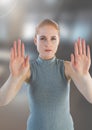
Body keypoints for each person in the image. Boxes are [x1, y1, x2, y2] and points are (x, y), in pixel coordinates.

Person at [0, 19, 92, 130]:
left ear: (58, 41)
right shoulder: (28, 69)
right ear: (35, 40)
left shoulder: (67, 67)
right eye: (42, 38)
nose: (48, 43)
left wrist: (85, 75)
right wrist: (14, 77)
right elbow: (2, 100)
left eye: (53, 39)